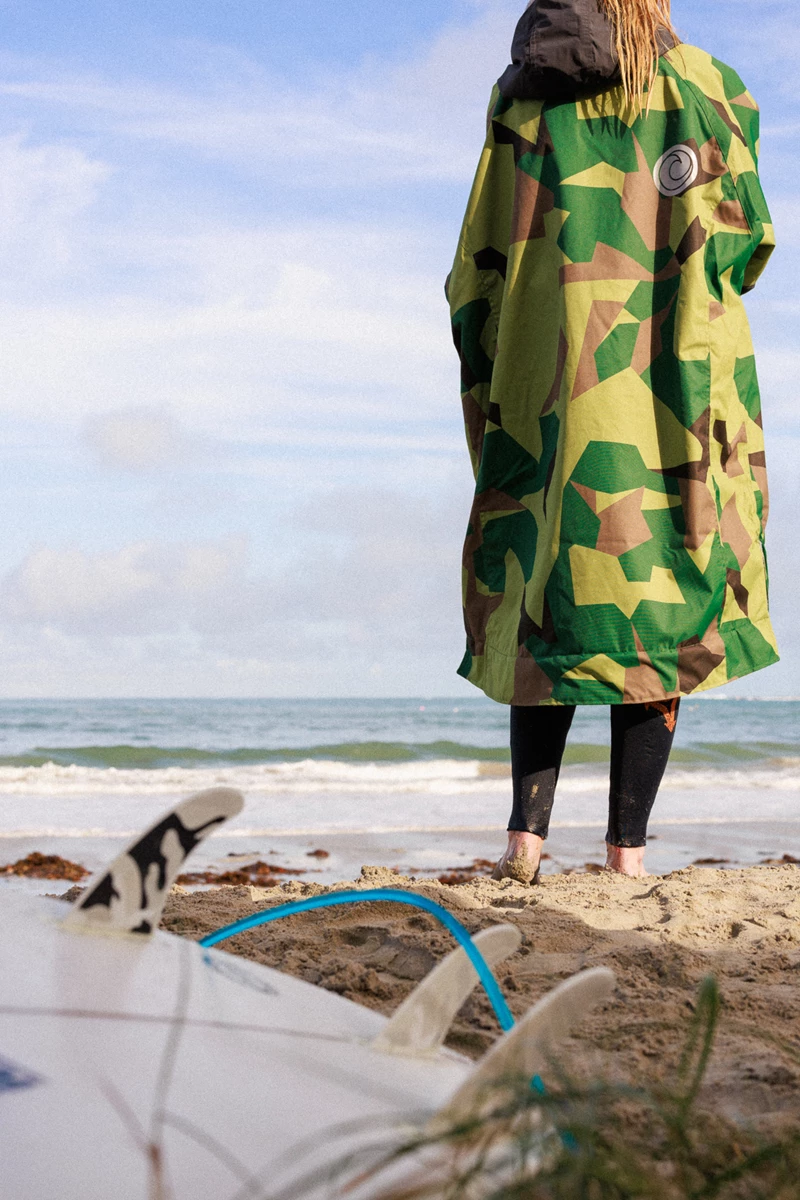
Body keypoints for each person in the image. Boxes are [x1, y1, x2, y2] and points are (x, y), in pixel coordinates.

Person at [446, 0, 777, 880]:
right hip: (670, 387)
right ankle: (627, 856)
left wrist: (501, 372)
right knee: (663, 597)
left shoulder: (518, 98)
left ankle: (525, 841)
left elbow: (475, 264)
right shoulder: (707, 86)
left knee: (545, 594)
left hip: (543, 391)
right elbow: (748, 240)